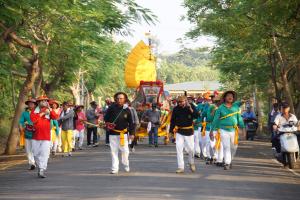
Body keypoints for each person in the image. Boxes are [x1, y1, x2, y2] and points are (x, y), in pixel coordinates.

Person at [210, 91, 245, 170]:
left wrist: (243, 128)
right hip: (223, 130)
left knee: (234, 147)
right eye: (228, 96)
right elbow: (215, 120)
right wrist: (212, 131)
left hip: (234, 130)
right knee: (226, 147)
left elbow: (239, 118)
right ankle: (227, 163)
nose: (230, 97)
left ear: (233, 98)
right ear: (225, 98)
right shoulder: (220, 108)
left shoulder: (236, 107)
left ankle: (230, 160)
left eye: (231, 96)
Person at [104, 92, 134, 174]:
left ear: (125, 99)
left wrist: (132, 133)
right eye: (118, 98)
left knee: (125, 151)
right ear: (115, 99)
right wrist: (108, 124)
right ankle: (115, 168)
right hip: (113, 133)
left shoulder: (127, 109)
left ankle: (126, 163)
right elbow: (106, 119)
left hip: (123, 134)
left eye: (121, 98)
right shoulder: (111, 108)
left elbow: (131, 122)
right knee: (113, 151)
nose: (119, 100)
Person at [30, 95, 58, 178]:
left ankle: (42, 169)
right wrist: (42, 113)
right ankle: (40, 166)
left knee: (45, 154)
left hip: (46, 136)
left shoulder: (49, 110)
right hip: (36, 136)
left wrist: (50, 110)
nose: (45, 102)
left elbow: (55, 117)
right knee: (35, 154)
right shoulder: (34, 111)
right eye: (42, 101)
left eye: (46, 101)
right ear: (38, 103)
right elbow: (33, 120)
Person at [170, 96, 198, 173]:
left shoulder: (191, 106)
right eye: (178, 102)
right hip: (179, 131)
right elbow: (172, 121)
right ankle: (180, 167)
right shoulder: (176, 109)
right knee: (179, 149)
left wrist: (190, 109)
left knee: (191, 149)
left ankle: (191, 162)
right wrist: (171, 132)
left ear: (185, 101)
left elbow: (196, 115)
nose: (180, 104)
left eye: (181, 102)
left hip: (189, 131)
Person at [19, 97, 37, 170]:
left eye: (32, 103)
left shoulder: (38, 112)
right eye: (29, 103)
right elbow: (21, 122)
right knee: (28, 150)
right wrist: (20, 127)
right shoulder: (24, 113)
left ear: (35, 105)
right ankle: (32, 163)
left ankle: (38, 161)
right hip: (27, 133)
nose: (30, 105)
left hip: (36, 134)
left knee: (35, 149)